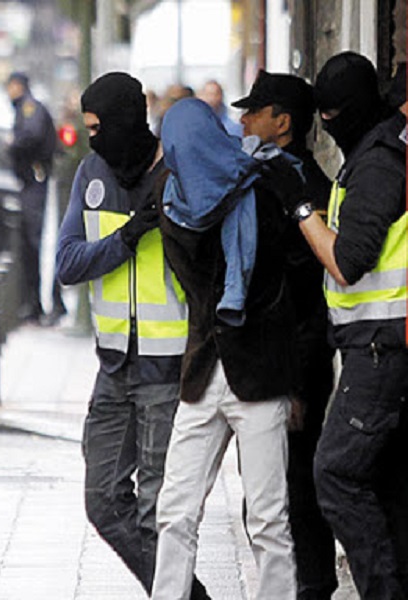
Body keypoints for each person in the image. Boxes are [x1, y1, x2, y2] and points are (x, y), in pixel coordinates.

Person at [56, 72, 208, 599]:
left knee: (157, 515)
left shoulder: (178, 172)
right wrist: (126, 237)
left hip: (168, 372)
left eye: (98, 127)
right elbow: (67, 263)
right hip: (114, 367)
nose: (93, 138)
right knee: (102, 501)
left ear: (126, 121)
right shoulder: (90, 175)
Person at [151, 98, 298, 599]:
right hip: (202, 375)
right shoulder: (171, 200)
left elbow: (291, 290)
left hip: (260, 375)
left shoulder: (262, 190)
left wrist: (295, 381)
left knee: (267, 517)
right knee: (175, 509)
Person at [279, 51, 406, 599]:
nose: (327, 124)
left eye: (332, 115)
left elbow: (347, 262)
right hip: (377, 343)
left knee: (334, 473)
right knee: (385, 480)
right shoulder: (376, 151)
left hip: (380, 346)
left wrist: (303, 211)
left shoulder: (377, 162)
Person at [232, 70, 338, 599]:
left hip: (295, 364)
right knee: (271, 495)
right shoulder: (269, 177)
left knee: (295, 493)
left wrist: (295, 384)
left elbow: (306, 298)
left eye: (255, 111)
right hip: (273, 361)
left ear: (284, 122)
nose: (244, 119)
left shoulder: (301, 189)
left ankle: (313, 588)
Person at [5, 71, 59, 324]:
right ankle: (34, 302)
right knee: (29, 243)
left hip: (34, 180)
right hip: (31, 180)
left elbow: (32, 135)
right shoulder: (26, 108)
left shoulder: (29, 108)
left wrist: (12, 144)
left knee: (33, 241)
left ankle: (37, 303)